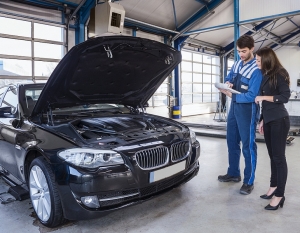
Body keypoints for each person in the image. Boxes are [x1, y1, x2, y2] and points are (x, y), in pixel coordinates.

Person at [217, 35, 263, 195]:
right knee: (231, 141)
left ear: (252, 49)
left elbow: (252, 95)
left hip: (248, 110)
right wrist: (227, 83)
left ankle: (249, 181)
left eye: (244, 51)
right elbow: (229, 78)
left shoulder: (257, 69)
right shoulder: (236, 64)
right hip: (234, 108)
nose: (241, 54)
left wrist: (232, 96)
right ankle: (233, 172)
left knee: (248, 146)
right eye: (238, 51)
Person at [254, 47, 290, 210]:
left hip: (279, 120)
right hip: (268, 120)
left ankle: (280, 195)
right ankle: (273, 186)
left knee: (279, 158)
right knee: (272, 157)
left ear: (267, 60)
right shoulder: (266, 75)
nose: (256, 62)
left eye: (259, 60)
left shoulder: (280, 73)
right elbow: (266, 104)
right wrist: (262, 120)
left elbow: (285, 96)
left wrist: (262, 97)